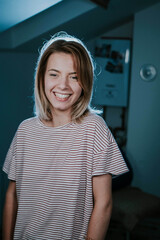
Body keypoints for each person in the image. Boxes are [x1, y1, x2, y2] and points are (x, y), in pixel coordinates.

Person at [2, 32, 128, 240]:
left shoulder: (94, 128)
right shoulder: (25, 130)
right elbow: (11, 196)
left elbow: (104, 203)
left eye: (74, 77)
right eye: (54, 74)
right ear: (41, 77)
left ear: (84, 82)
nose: (63, 86)